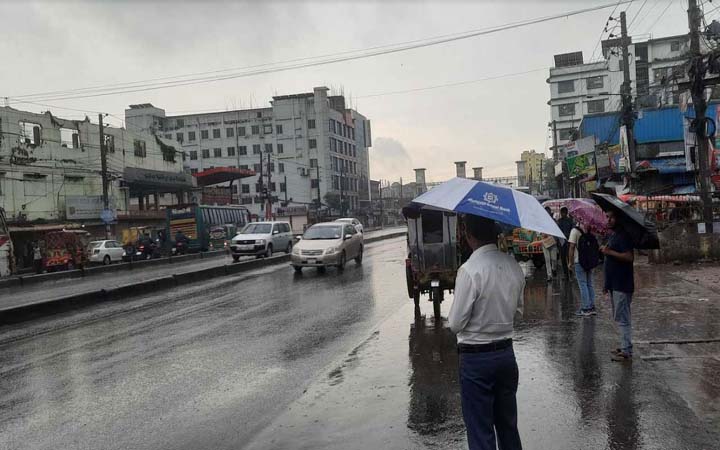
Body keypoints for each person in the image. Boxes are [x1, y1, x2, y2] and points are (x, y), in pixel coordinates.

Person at [448, 214, 525, 450]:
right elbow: (518, 310)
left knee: (481, 432)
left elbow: (456, 324)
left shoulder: (470, 270)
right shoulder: (513, 265)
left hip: (476, 360)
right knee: (508, 427)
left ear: (469, 236)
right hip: (505, 356)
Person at [601, 210, 635, 362]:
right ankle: (623, 346)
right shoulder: (613, 235)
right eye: (607, 217)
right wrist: (606, 284)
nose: (608, 220)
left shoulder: (623, 236)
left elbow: (629, 256)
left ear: (618, 219)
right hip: (614, 284)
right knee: (620, 316)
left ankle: (626, 349)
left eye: (611, 217)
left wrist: (609, 251)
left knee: (623, 317)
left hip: (622, 283)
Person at [567, 220, 600, 316]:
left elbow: (571, 247)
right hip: (589, 261)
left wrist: (570, 262)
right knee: (589, 284)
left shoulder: (574, 231)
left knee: (582, 284)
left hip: (579, 261)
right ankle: (592, 306)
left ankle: (585, 308)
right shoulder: (589, 229)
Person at [556, 207, 574, 279]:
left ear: (566, 213)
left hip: (569, 242)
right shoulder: (559, 221)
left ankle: (570, 272)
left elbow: (572, 230)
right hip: (561, 243)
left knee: (569, 258)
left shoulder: (570, 221)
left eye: (563, 213)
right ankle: (565, 274)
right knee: (563, 259)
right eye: (561, 213)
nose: (562, 214)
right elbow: (557, 231)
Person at [542, 207, 558, 282]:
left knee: (554, 259)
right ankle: (549, 275)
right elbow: (538, 231)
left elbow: (557, 230)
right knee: (547, 259)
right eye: (546, 212)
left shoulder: (554, 221)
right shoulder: (541, 221)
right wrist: (542, 233)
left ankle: (554, 269)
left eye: (548, 212)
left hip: (553, 242)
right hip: (545, 243)